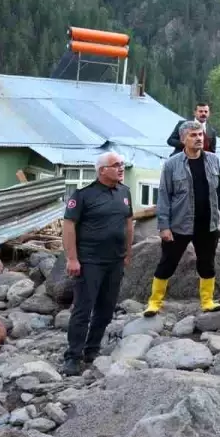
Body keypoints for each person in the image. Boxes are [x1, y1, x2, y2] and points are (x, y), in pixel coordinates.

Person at [143, 121, 220, 316]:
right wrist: (164, 226)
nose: (199, 138)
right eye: (193, 135)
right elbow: (164, 196)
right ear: (183, 139)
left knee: (207, 262)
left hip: (208, 222)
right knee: (168, 262)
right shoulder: (171, 164)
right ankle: (154, 303)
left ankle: (208, 301)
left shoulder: (213, 160)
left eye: (200, 134)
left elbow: (219, 192)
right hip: (179, 224)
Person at [61, 152, 135, 376]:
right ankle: (73, 356)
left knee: (106, 309)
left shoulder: (124, 192)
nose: (121, 168)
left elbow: (129, 223)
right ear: (102, 170)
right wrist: (72, 258)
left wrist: (128, 253)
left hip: (114, 261)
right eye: (116, 165)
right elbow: (68, 225)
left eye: (122, 164)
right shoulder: (84, 195)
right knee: (83, 309)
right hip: (89, 261)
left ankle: (91, 350)